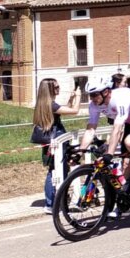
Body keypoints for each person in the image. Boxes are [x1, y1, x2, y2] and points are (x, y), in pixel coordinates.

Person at [85, 75, 130, 197]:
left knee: (129, 142)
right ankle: (125, 198)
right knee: (125, 165)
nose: (92, 99)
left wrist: (109, 153)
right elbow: (90, 129)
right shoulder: (94, 105)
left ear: (105, 92)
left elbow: (117, 128)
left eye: (94, 95)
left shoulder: (120, 98)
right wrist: (80, 151)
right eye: (90, 95)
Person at [33, 77, 81, 213]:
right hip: (57, 142)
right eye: (56, 87)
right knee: (57, 170)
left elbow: (63, 110)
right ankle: (52, 203)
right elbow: (74, 111)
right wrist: (79, 96)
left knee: (54, 169)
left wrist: (71, 99)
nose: (58, 89)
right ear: (49, 90)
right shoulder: (51, 105)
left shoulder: (44, 104)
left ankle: (52, 201)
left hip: (49, 141)